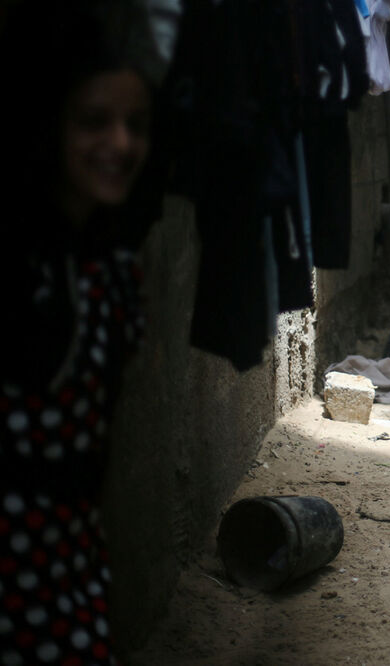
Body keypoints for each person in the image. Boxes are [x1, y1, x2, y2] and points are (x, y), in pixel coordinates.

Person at [0, 4, 155, 663]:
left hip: (72, 575)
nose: (120, 144)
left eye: (136, 126)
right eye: (95, 122)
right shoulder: (23, 273)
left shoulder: (108, 270)